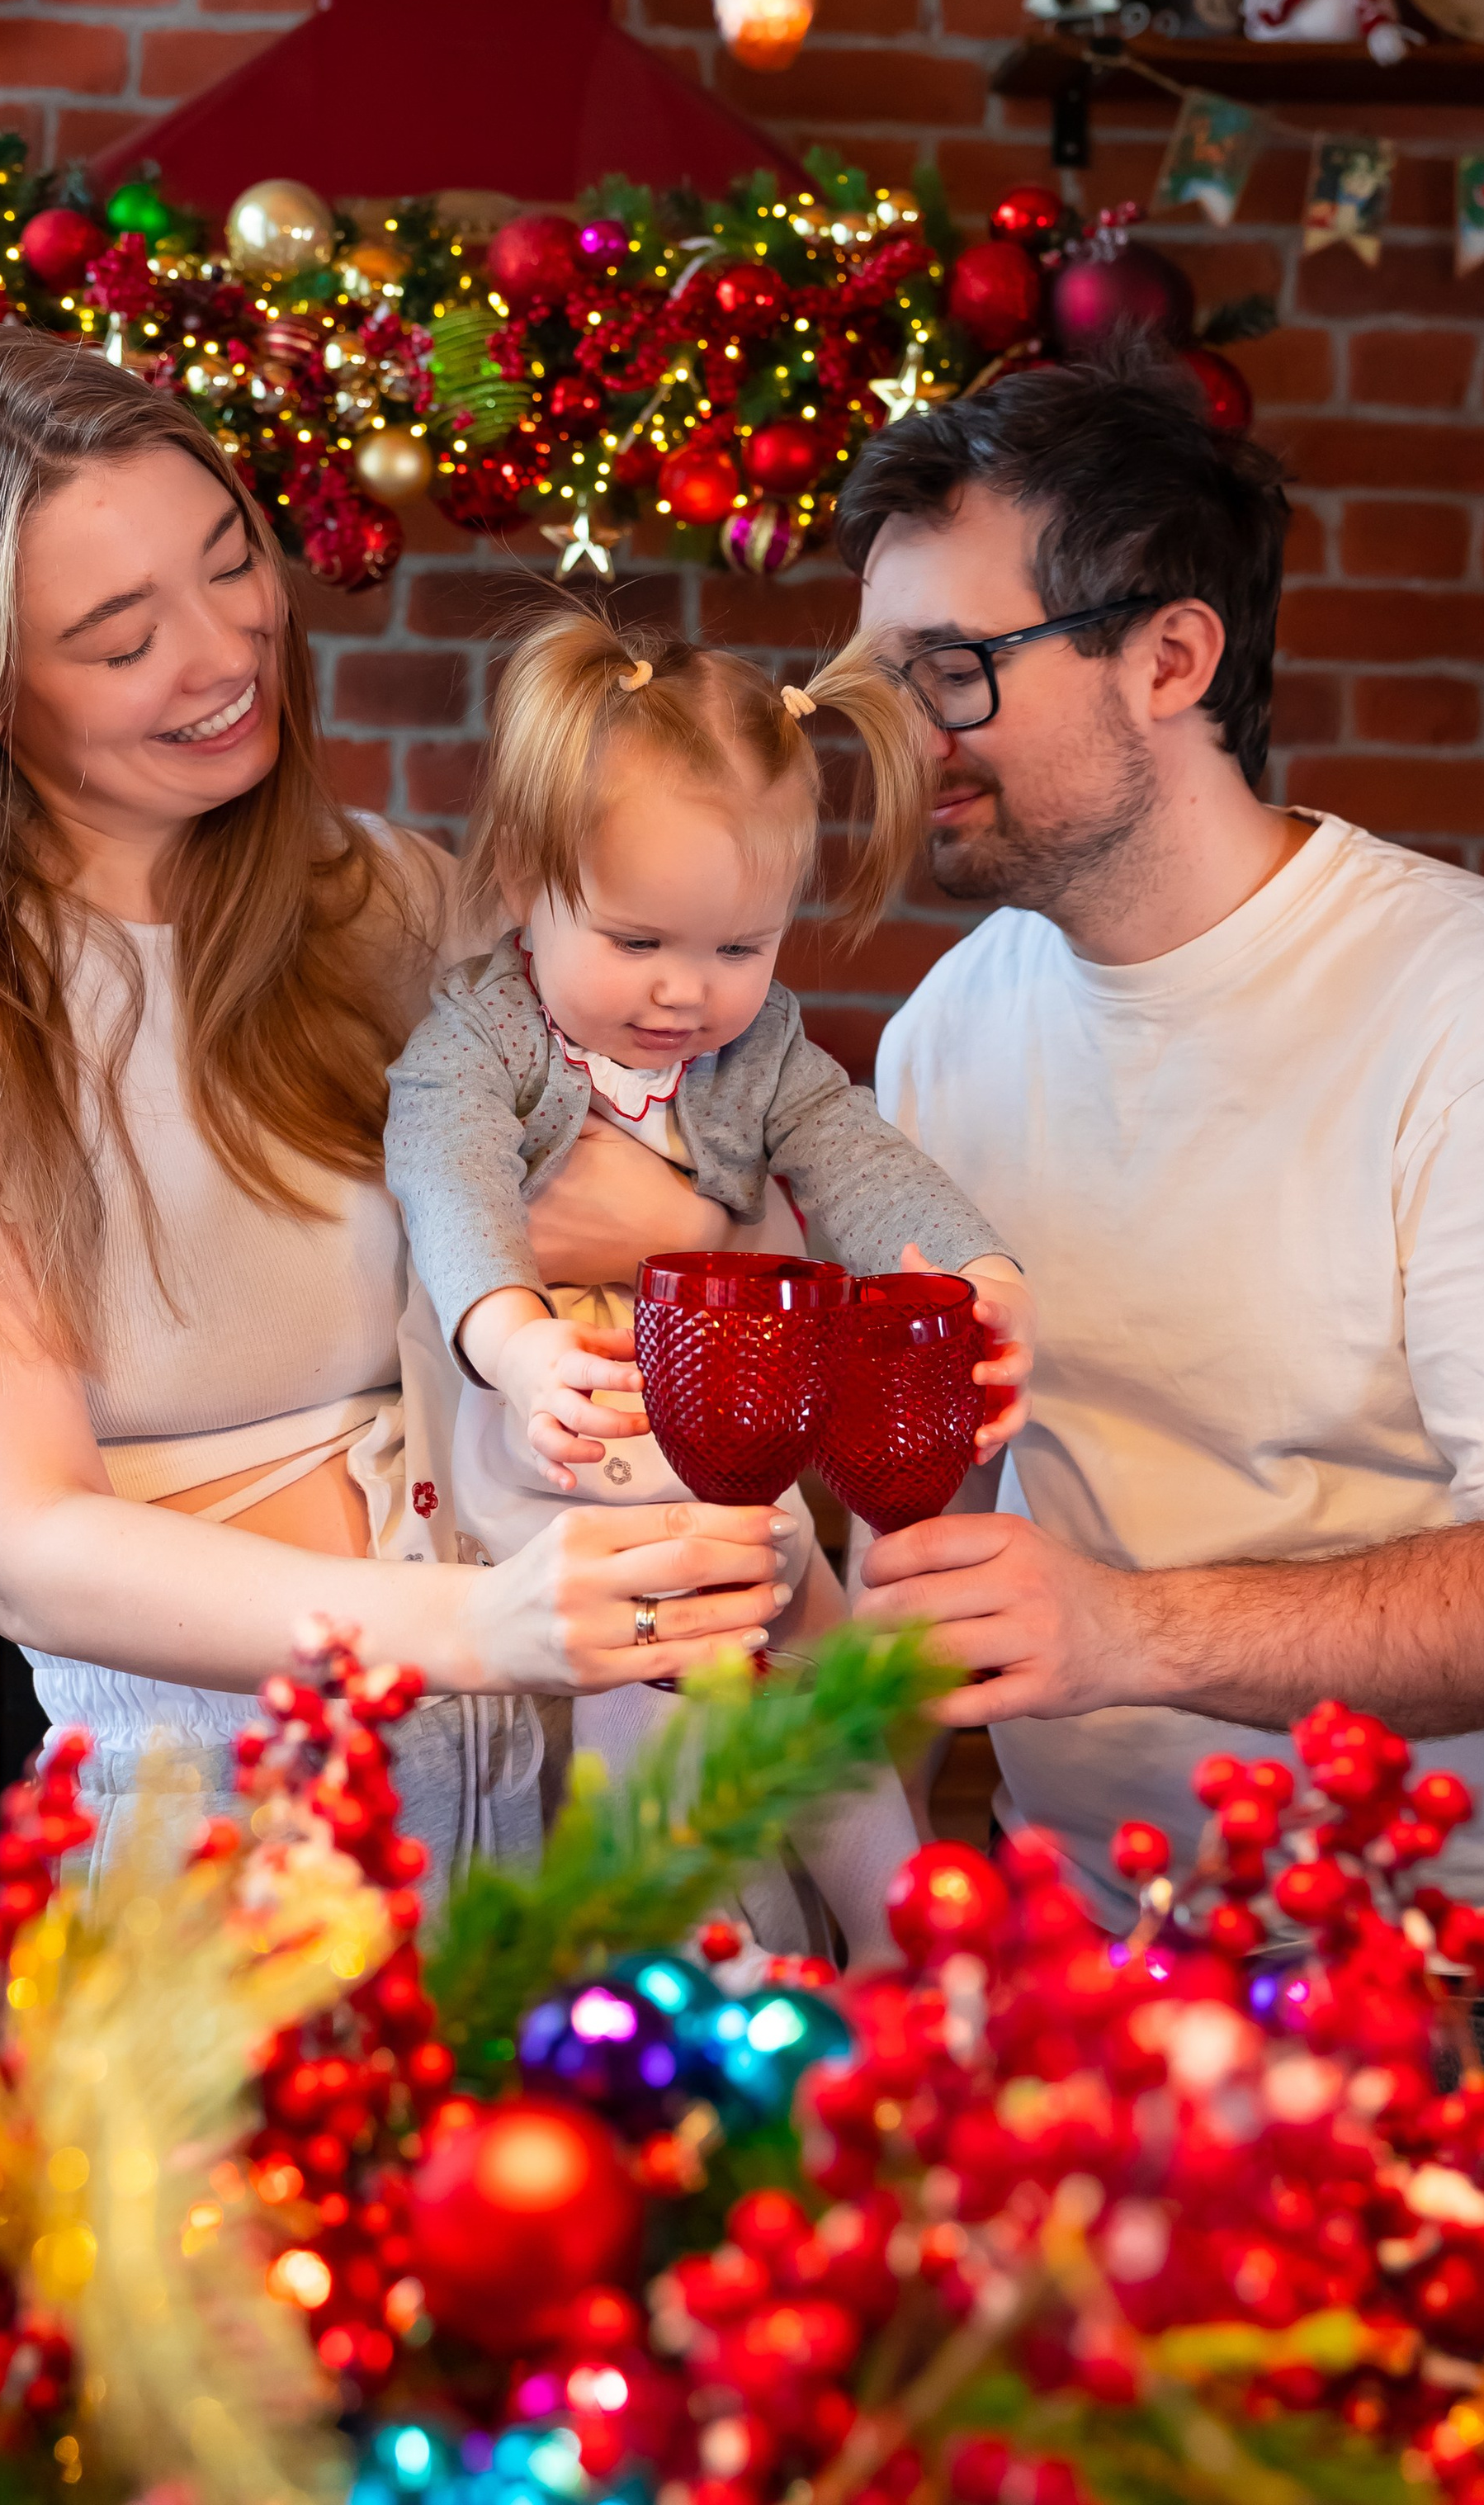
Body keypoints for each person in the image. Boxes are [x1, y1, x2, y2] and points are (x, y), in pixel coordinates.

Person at [0, 328, 792, 1881]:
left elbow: (704, 1191)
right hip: (223, 1848)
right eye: (120, 638)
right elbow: (25, 1543)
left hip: (566, 1813)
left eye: (228, 563)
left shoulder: (397, 901)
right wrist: (473, 1621)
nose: (225, 653)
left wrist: (663, 1216)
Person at [841, 349, 1484, 2075]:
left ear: (1168, 658)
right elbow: (923, 1528)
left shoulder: (1480, 1016)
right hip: (1078, 1950)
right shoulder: (948, 1027)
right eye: (875, 681)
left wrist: (1121, 1631)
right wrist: (863, 1907)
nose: (899, 737)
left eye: (948, 671)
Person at [385, 603, 1033, 1954]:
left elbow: (852, 1150)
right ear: (522, 886)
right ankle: (673, 1952)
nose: (687, 993)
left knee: (815, 1664)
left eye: (738, 951)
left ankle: (902, 1937)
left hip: (727, 1455)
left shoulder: (759, 1053)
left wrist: (976, 1270)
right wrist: (511, 1343)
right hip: (574, 1439)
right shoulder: (482, 1038)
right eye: (637, 943)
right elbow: (448, 1182)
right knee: (653, 1674)